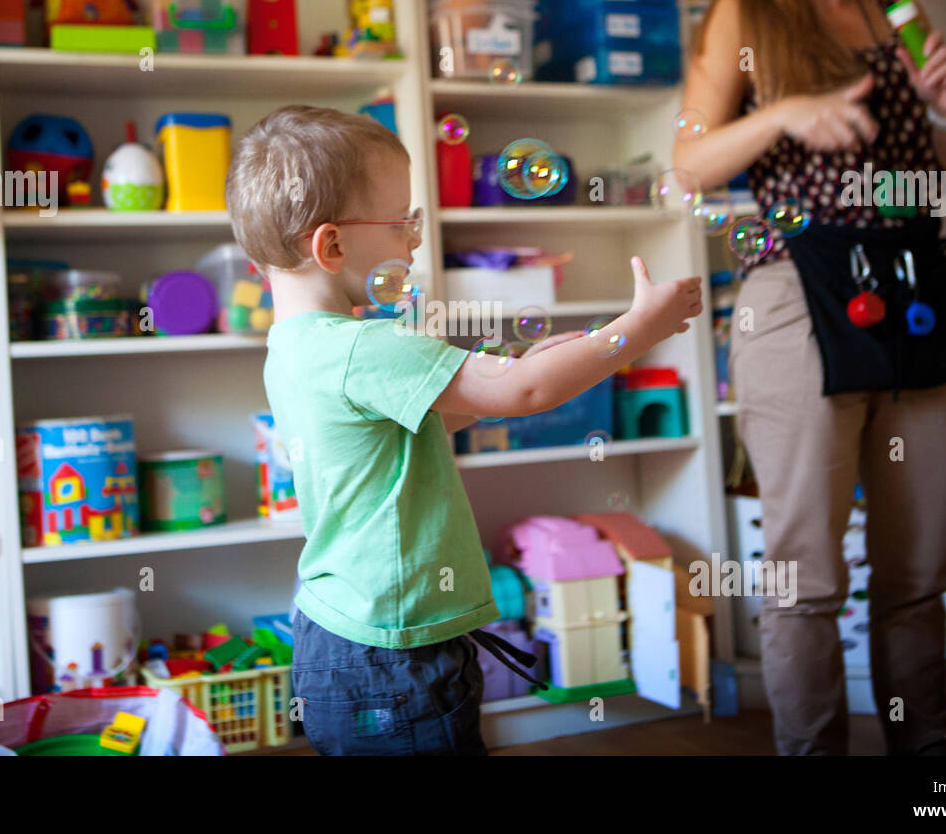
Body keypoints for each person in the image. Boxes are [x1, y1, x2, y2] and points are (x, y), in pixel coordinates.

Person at [227, 105, 702, 755]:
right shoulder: (365, 347)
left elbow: (441, 415)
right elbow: (525, 393)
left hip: (343, 640)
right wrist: (636, 331)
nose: (414, 241)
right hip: (396, 654)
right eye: (402, 223)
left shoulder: (294, 346)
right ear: (332, 245)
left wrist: (518, 374)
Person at [673, 0, 946, 755]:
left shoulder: (902, 14)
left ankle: (928, 762)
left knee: (919, 573)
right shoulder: (744, 11)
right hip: (796, 292)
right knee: (806, 576)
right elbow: (689, 161)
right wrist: (781, 113)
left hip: (917, 286)